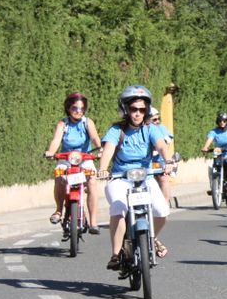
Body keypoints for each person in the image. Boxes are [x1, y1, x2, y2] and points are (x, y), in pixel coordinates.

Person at [96, 85, 175, 270]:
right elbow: (107, 151)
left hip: (145, 178)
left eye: (142, 109)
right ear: (125, 109)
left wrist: (168, 160)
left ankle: (152, 237)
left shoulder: (150, 129)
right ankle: (115, 254)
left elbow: (162, 146)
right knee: (118, 208)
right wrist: (103, 168)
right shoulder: (117, 129)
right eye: (133, 109)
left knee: (162, 211)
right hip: (120, 178)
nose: (138, 113)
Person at [43, 92, 102, 234]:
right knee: (59, 178)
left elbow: (94, 137)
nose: (78, 111)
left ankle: (93, 221)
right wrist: (51, 152)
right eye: (75, 108)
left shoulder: (88, 122)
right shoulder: (63, 123)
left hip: (85, 159)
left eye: (82, 109)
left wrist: (100, 149)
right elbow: (56, 140)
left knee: (92, 182)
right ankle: (58, 210)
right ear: (69, 108)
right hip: (66, 158)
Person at [201, 111, 227, 189]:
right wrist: (205, 148)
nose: (222, 122)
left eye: (224, 121)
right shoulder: (214, 132)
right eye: (220, 121)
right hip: (218, 153)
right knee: (212, 166)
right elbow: (209, 140)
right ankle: (214, 185)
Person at [148, 107, 175, 203]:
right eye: (154, 119)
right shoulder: (139, 130)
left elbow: (167, 141)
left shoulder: (161, 128)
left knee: (164, 179)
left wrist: (158, 146)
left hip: (158, 160)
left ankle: (165, 204)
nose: (157, 121)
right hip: (144, 162)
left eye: (158, 119)